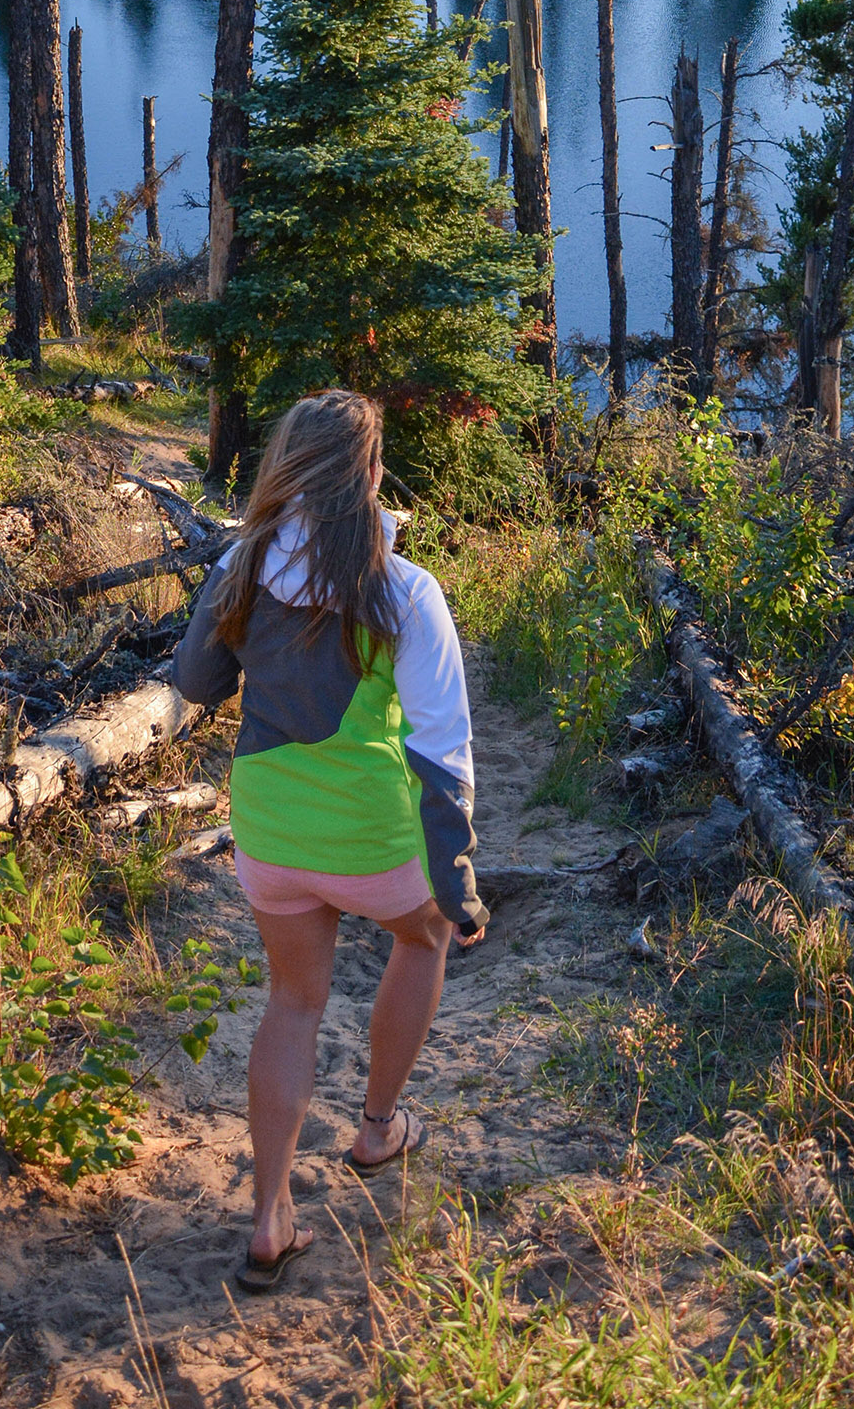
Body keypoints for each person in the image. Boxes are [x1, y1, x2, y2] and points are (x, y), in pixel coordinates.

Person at [172, 387, 487, 1292]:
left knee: (292, 1003)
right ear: (369, 476)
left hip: (269, 832)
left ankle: (269, 1218)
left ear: (287, 470)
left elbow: (195, 683)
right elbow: (442, 749)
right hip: (372, 838)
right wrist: (457, 880)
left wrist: (228, 590)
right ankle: (380, 1126)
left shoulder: (243, 565)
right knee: (422, 935)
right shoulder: (401, 589)